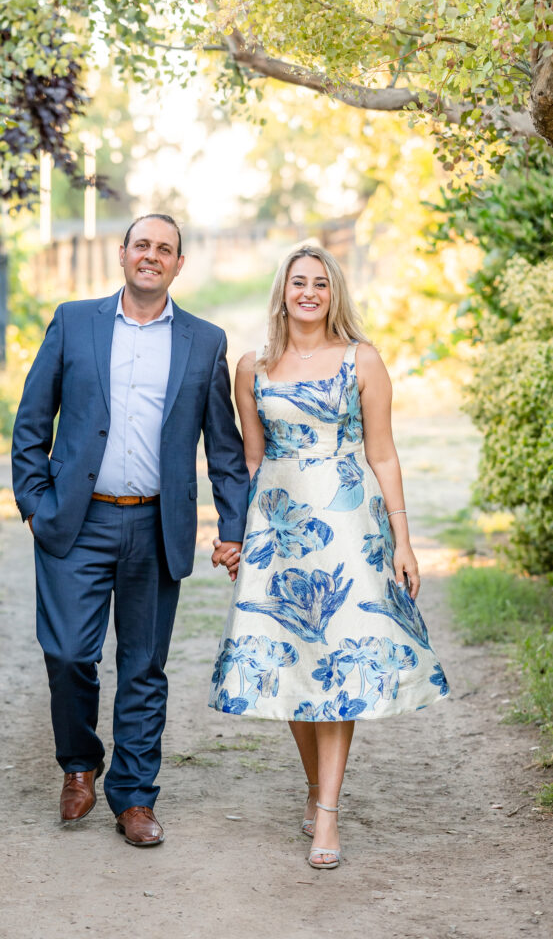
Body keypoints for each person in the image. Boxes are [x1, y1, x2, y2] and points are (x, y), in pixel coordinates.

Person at [209, 244, 449, 869]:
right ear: (282, 292)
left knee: (339, 663)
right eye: (298, 282)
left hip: (349, 527)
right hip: (279, 527)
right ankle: (317, 790)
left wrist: (402, 540)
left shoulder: (361, 360)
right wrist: (238, 534)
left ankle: (328, 816)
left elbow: (384, 454)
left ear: (334, 292)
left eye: (320, 283)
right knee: (291, 661)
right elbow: (252, 460)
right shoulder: (252, 366)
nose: (309, 292)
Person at [12, 214, 248, 846]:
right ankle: (80, 764)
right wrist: (34, 502)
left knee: (144, 666)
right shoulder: (73, 321)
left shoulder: (204, 341)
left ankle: (135, 798)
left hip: (155, 521)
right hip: (75, 520)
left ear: (178, 265)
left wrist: (234, 524)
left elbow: (223, 448)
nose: (151, 256)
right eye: (141, 244)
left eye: (164, 249)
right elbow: (33, 416)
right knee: (67, 654)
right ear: (121, 254)